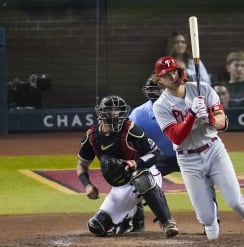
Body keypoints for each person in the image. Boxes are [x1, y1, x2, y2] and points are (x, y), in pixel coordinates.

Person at [152, 55, 244, 247]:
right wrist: (192, 115)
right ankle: (210, 213)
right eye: (166, 75)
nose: (172, 76)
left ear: (181, 72)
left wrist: (211, 118)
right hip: (188, 159)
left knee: (235, 201)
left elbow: (223, 121)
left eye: (174, 71)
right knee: (205, 218)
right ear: (159, 80)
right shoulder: (160, 105)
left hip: (214, 150)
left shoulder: (202, 88)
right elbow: (176, 137)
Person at [76, 95, 179, 238]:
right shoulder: (92, 136)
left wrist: (136, 163)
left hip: (146, 173)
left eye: (118, 110)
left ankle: (167, 221)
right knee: (97, 226)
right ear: (101, 112)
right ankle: (127, 219)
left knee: (141, 178)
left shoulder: (130, 129)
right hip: (121, 184)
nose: (115, 114)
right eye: (111, 110)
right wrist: (87, 185)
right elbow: (82, 164)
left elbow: (155, 154)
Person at [128, 74, 220, 233]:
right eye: (153, 89)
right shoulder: (138, 115)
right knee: (138, 177)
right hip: (160, 157)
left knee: (205, 181)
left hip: (190, 153)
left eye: (159, 88)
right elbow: (128, 142)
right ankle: (139, 220)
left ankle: (210, 222)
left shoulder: (191, 106)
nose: (156, 93)